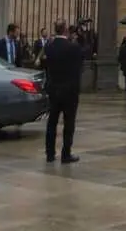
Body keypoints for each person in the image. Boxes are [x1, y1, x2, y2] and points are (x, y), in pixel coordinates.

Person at [43, 22, 83, 164]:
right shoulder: (73, 47)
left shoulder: (49, 47)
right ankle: (66, 154)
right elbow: (79, 66)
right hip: (70, 91)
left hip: (53, 89)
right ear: (66, 30)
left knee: (51, 122)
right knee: (69, 123)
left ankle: (50, 154)